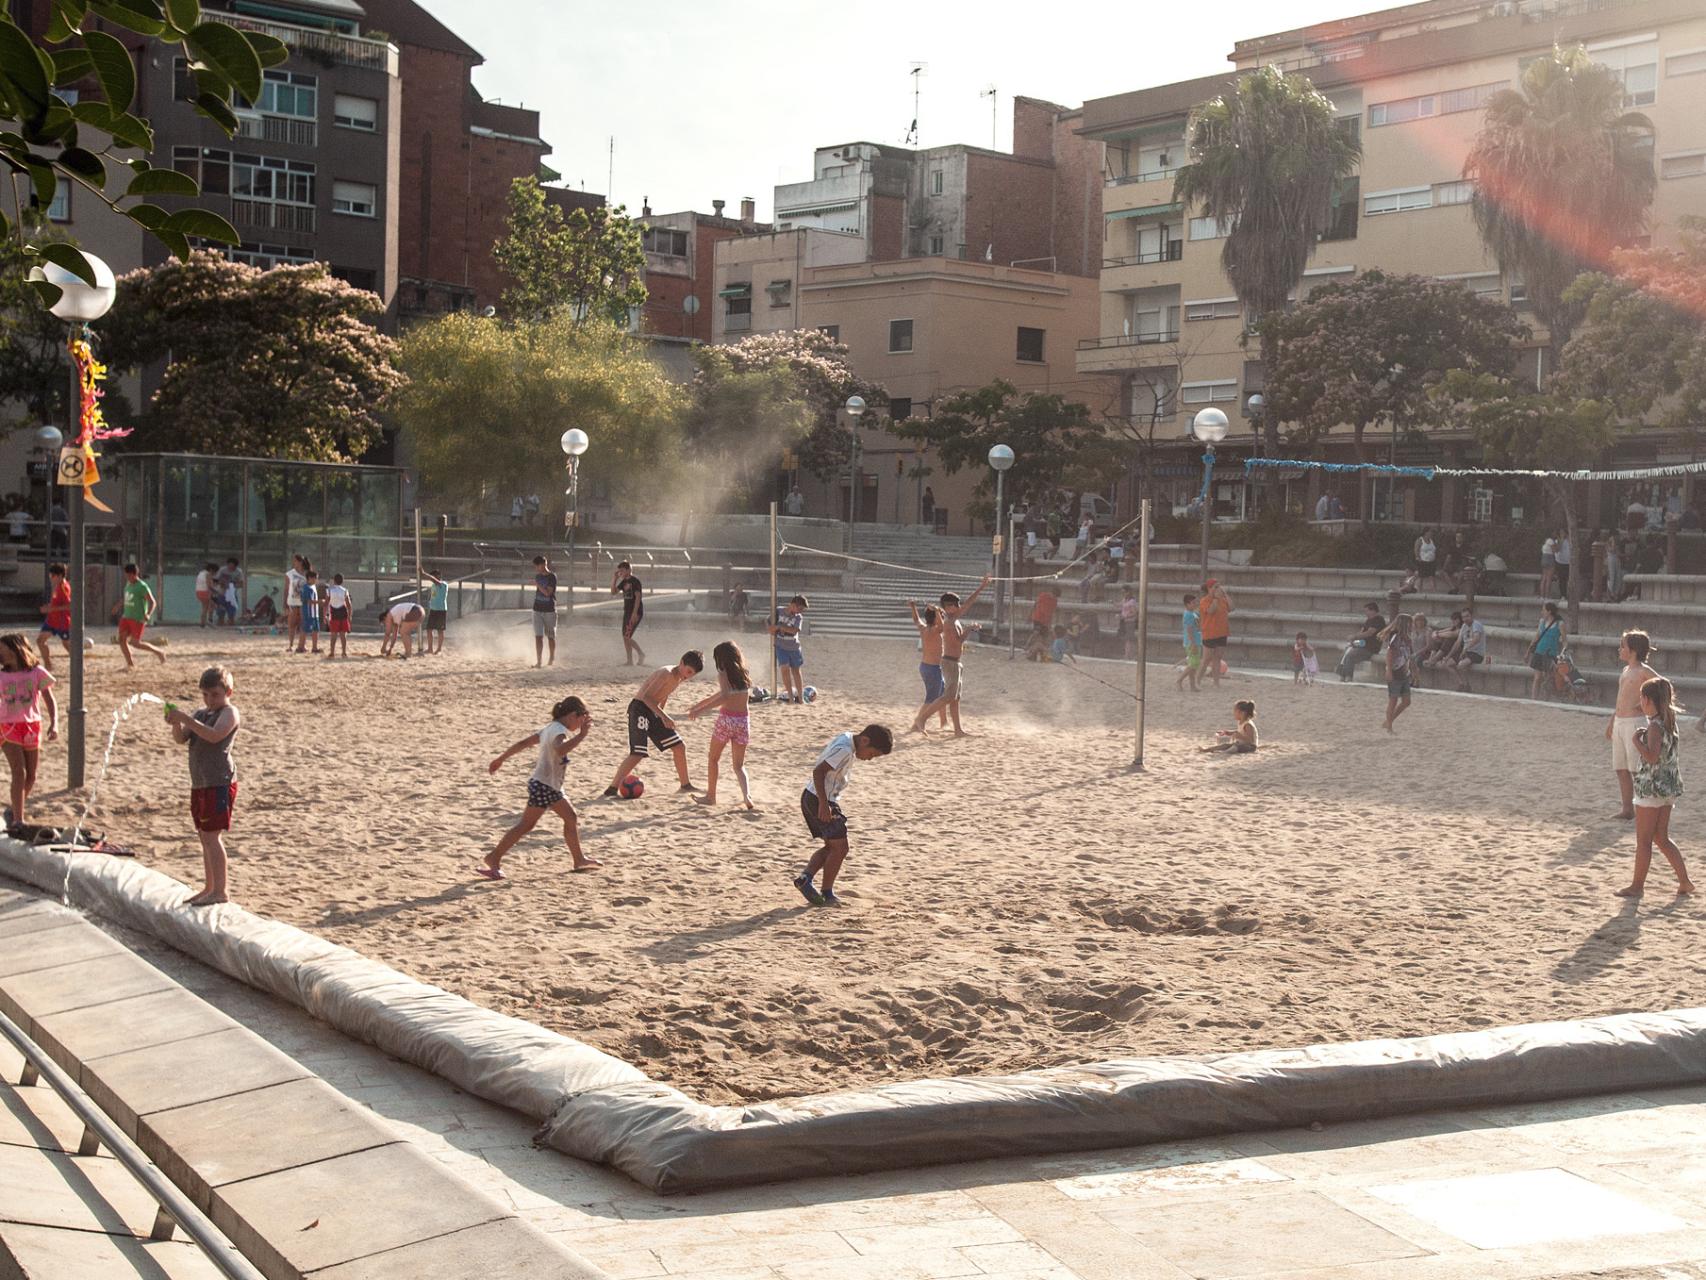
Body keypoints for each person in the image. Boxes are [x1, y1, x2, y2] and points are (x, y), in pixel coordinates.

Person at [479, 695, 599, 880]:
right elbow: (560, 749)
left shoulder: (550, 728)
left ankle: (579, 859)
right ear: (573, 715)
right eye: (582, 718)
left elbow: (523, 743)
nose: (581, 724)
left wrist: (501, 759)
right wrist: (582, 735)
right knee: (526, 825)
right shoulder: (559, 731)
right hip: (545, 786)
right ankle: (493, 858)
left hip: (547, 785)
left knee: (570, 817)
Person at [794, 723, 893, 907]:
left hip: (813, 796)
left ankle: (805, 879)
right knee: (840, 848)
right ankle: (827, 893)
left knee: (833, 847)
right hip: (819, 799)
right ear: (865, 740)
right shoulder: (845, 750)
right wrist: (824, 805)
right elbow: (818, 771)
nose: (869, 759)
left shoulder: (847, 737)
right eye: (871, 754)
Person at [167, 666, 240, 907]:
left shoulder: (230, 713)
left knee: (212, 836)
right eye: (205, 695)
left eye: (215, 695)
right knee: (203, 836)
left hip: (219, 782)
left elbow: (214, 736)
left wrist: (186, 718)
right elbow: (181, 739)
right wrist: (175, 724)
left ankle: (220, 890)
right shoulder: (201, 713)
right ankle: (209, 887)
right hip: (200, 782)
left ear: (228, 692)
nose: (210, 700)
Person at [1616, 676, 1693, 898]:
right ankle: (1685, 882)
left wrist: (1637, 742)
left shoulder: (1655, 727)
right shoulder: (1670, 722)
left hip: (1652, 789)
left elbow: (1651, 756)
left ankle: (1637, 886)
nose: (1640, 701)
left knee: (1644, 840)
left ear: (1648, 700)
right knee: (1661, 838)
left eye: (1642, 697)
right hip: (1668, 788)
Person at [605, 651, 702, 797]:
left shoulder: (679, 677)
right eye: (688, 671)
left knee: (679, 746)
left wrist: (661, 714)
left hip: (652, 711)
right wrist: (664, 716)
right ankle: (612, 788)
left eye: (692, 674)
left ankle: (685, 785)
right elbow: (646, 698)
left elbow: (664, 694)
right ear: (681, 663)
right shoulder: (666, 673)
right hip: (639, 709)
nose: (689, 676)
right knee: (638, 753)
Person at [915, 576, 991, 736]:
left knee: (955, 698)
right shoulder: (949, 622)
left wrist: (982, 586)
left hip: (955, 662)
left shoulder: (954, 618)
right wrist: (970, 628)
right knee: (948, 696)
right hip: (950, 662)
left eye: (957, 604)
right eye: (955, 605)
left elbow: (969, 602)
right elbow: (958, 641)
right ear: (948, 607)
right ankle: (922, 719)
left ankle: (958, 730)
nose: (958, 607)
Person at [688, 641, 754, 810]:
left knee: (713, 758)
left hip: (726, 720)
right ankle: (747, 796)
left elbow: (724, 697)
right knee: (739, 766)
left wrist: (701, 710)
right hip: (743, 722)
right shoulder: (743, 674)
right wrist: (699, 705)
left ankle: (711, 796)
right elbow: (724, 694)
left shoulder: (723, 674)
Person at [0, 634, 54, 827]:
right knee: (19, 772)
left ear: (16, 649)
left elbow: (48, 698)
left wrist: (54, 723)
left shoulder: (37, 672)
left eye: (3, 649)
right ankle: (18, 820)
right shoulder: (2, 675)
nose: (0, 653)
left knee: (31, 776)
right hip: (8, 726)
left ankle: (14, 809)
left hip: (33, 725)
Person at [1607, 630, 1659, 821]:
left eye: (1623, 645)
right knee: (1620, 768)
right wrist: (1612, 720)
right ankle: (1627, 808)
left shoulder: (1643, 671)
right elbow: (1621, 698)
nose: (1620, 649)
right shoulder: (1625, 671)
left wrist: (1645, 704)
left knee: (1636, 769)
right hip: (1621, 721)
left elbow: (1663, 685)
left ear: (1633, 650)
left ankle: (1644, 807)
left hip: (1635, 723)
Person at [906, 601, 947, 732]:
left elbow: (916, 619)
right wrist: (936, 610)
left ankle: (944, 722)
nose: (942, 617)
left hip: (927, 667)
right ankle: (918, 722)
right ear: (935, 618)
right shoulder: (935, 631)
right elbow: (941, 627)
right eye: (941, 616)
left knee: (943, 694)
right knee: (931, 698)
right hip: (932, 669)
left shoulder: (924, 628)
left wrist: (913, 607)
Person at [117, 563, 165, 668]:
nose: (128, 578)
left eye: (129, 575)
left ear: (135, 574)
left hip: (137, 618)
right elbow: (126, 597)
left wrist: (148, 614)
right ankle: (130, 664)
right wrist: (118, 606)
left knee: (135, 643)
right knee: (121, 639)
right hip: (126, 616)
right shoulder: (128, 584)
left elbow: (153, 602)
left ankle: (158, 652)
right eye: (126, 575)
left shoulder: (142, 586)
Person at [769, 595, 809, 705]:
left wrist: (780, 627)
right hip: (781, 646)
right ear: (792, 605)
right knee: (785, 670)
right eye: (799, 608)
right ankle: (791, 698)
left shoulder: (798, 617)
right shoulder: (778, 611)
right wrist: (772, 628)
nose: (800, 611)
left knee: (796, 671)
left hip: (794, 647)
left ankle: (801, 698)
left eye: (802, 610)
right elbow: (770, 624)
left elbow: (794, 631)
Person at [1335, 601, 1387, 682]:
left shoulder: (1379, 620)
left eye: (1367, 611)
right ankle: (1343, 675)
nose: (1365, 613)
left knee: (1350, 655)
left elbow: (1370, 633)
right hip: (1363, 644)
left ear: (1372, 610)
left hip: (1371, 647)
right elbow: (1361, 632)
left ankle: (1348, 676)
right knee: (1346, 649)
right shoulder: (1368, 620)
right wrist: (1353, 640)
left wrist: (1355, 637)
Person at [1527, 602, 1565, 700]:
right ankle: (1534, 698)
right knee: (1537, 678)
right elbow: (1536, 637)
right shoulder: (1542, 622)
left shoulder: (1560, 624)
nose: (1542, 612)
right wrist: (1528, 651)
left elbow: (1565, 641)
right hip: (1539, 652)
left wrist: (1562, 653)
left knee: (1549, 678)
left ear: (1549, 611)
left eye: (1543, 610)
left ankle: (1546, 698)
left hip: (1551, 654)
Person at [36, 563, 71, 672]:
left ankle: (78, 663)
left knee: (66, 644)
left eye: (52, 576)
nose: (50, 578)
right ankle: (48, 666)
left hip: (62, 622)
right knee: (40, 641)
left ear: (60, 576)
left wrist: (50, 609)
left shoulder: (64, 587)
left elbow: (70, 606)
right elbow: (56, 603)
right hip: (52, 620)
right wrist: (48, 607)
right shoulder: (56, 585)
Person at [1444, 606, 1488, 691]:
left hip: (1476, 653)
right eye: (1463, 617)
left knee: (1461, 664)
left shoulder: (1476, 625)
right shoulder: (1464, 626)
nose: (1465, 619)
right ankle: (1461, 683)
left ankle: (1467, 685)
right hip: (1466, 652)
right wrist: (1448, 655)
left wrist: (1466, 648)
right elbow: (1458, 642)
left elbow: (1477, 638)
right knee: (1448, 663)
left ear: (1472, 616)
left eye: (1467, 616)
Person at [1383, 614, 1414, 733]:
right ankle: (1389, 726)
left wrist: (1413, 671)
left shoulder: (1408, 639)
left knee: (1406, 701)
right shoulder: (1396, 637)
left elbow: (1409, 656)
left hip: (1404, 671)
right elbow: (1390, 654)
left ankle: (1389, 721)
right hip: (1396, 671)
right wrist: (1389, 670)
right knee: (1393, 700)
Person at [1198, 579, 1232, 686]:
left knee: (1218, 658)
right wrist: (1216, 599)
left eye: (1219, 587)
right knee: (1206, 659)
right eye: (1215, 587)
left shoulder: (1223, 599)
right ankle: (1197, 680)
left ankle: (1216, 682)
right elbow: (1210, 611)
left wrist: (1226, 595)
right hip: (1209, 633)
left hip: (1222, 632)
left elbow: (1232, 607)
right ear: (1209, 589)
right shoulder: (1205, 600)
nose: (1218, 589)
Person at [612, 560, 646, 666]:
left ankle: (641, 654)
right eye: (619, 571)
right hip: (627, 612)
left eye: (622, 571)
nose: (620, 573)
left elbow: (638, 597)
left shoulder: (635, 581)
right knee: (625, 637)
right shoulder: (623, 582)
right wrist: (615, 579)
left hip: (635, 612)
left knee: (627, 636)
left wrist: (634, 613)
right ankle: (630, 660)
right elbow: (613, 592)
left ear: (628, 570)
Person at [530, 555, 558, 668]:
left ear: (543, 564)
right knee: (538, 636)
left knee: (551, 636)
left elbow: (548, 593)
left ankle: (551, 658)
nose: (537, 568)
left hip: (549, 610)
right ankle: (539, 661)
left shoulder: (552, 577)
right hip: (537, 609)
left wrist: (537, 584)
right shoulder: (538, 576)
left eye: (538, 566)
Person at [1177, 592, 1202, 692]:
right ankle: (1179, 680)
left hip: (1196, 640)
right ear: (1187, 604)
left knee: (1194, 665)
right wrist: (1193, 643)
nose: (1196, 603)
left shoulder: (1193, 613)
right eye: (1193, 602)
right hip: (1192, 642)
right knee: (1193, 664)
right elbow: (1189, 629)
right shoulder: (1188, 615)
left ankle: (1192, 685)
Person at [324, 573, 352, 660]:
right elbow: (349, 604)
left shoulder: (329, 590)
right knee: (343, 635)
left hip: (334, 612)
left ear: (334, 580)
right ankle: (343, 652)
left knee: (333, 634)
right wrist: (350, 615)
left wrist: (325, 615)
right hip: (343, 612)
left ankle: (332, 652)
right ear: (342, 581)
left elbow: (326, 603)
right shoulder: (344, 590)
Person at [1027, 586, 1059, 660]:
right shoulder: (1043, 595)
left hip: (1046, 621)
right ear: (1051, 593)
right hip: (1038, 618)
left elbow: (1052, 612)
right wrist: (1030, 615)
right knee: (1036, 633)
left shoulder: (1055, 601)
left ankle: (1038, 653)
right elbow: (1035, 604)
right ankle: (1028, 648)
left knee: (1044, 637)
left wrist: (1050, 623)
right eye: (1054, 595)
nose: (1054, 597)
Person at [284, 554, 306, 653]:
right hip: (292, 602)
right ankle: (291, 644)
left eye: (296, 561)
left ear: (300, 562)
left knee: (302, 624)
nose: (294, 562)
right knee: (292, 624)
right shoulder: (289, 574)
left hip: (303, 602)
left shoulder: (306, 573)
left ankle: (301, 645)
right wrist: (284, 603)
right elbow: (286, 589)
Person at [299, 569, 322, 655]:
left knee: (316, 630)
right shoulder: (306, 588)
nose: (316, 580)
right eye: (315, 578)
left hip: (314, 613)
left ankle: (314, 647)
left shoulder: (313, 587)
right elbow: (308, 601)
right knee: (305, 629)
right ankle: (300, 647)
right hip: (308, 612)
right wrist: (320, 602)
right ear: (309, 578)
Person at [216, 558, 243, 625]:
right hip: (222, 594)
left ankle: (231, 628)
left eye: (232, 567)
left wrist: (232, 586)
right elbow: (216, 580)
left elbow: (241, 584)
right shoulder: (222, 570)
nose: (230, 568)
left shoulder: (239, 572)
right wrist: (222, 583)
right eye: (229, 566)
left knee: (231, 614)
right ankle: (220, 626)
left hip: (232, 595)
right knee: (220, 613)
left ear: (235, 566)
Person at [1120, 587, 1139, 661]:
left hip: (1130, 622)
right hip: (1125, 621)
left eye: (1124, 592)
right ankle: (1128, 655)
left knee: (1129, 639)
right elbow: (1120, 605)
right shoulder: (1124, 600)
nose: (1123, 594)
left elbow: (1135, 613)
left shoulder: (1132, 601)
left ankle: (1128, 656)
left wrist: (1125, 616)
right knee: (1127, 639)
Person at [195, 562, 216, 627]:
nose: (214, 573)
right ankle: (204, 623)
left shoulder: (200, 573)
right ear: (211, 570)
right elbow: (209, 585)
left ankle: (204, 622)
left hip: (198, 591)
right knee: (205, 608)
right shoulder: (208, 574)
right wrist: (216, 591)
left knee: (205, 607)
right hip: (205, 592)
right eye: (214, 571)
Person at [1539, 533, 1557, 599]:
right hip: (1549, 558)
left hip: (1544, 558)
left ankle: (1542, 596)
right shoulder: (1550, 541)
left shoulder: (1544, 543)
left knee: (1544, 578)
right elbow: (1555, 551)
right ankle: (1547, 596)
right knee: (1549, 579)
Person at [1555, 532, 1572, 597]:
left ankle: (1570, 594)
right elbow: (1557, 550)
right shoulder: (1557, 541)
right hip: (1560, 563)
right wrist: (1561, 540)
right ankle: (1563, 595)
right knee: (1562, 580)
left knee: (1569, 580)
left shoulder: (1570, 541)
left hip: (1569, 563)